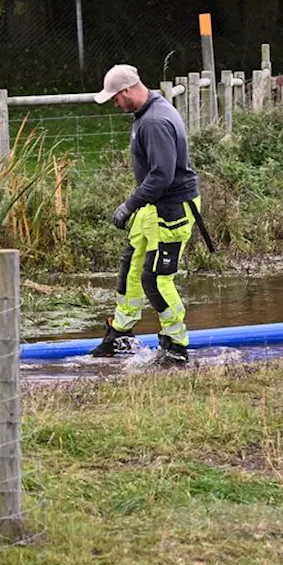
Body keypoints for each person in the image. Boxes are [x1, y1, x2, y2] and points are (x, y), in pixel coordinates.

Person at [87, 64, 209, 367]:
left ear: (128, 90)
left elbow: (162, 176)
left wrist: (129, 205)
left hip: (172, 208)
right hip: (152, 208)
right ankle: (120, 334)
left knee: (155, 279)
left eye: (115, 98)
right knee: (131, 265)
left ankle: (175, 345)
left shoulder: (155, 121)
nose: (114, 104)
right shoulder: (143, 114)